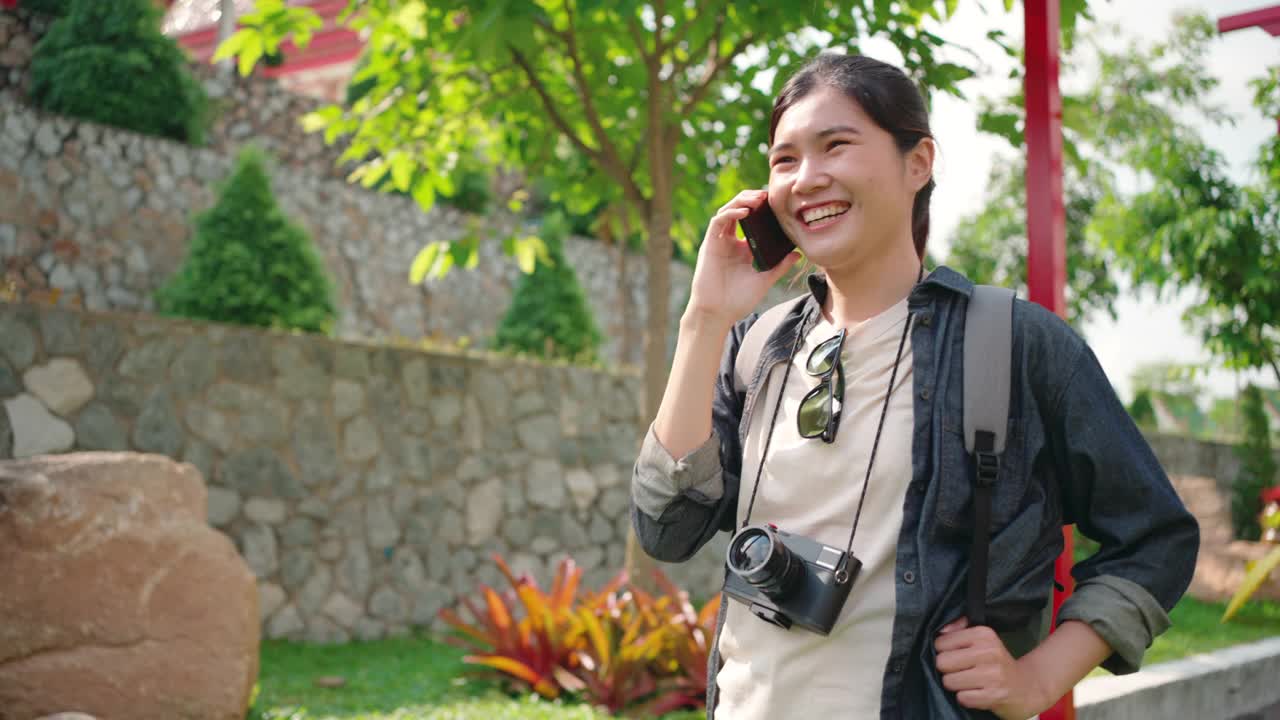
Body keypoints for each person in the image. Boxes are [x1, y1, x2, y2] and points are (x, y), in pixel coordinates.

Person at [630, 52, 1199, 720]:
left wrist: (1039, 677)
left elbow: (1155, 536)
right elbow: (666, 530)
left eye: (835, 145)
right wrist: (704, 319)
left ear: (918, 162)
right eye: (784, 161)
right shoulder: (754, 349)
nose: (806, 178)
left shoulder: (1014, 344)